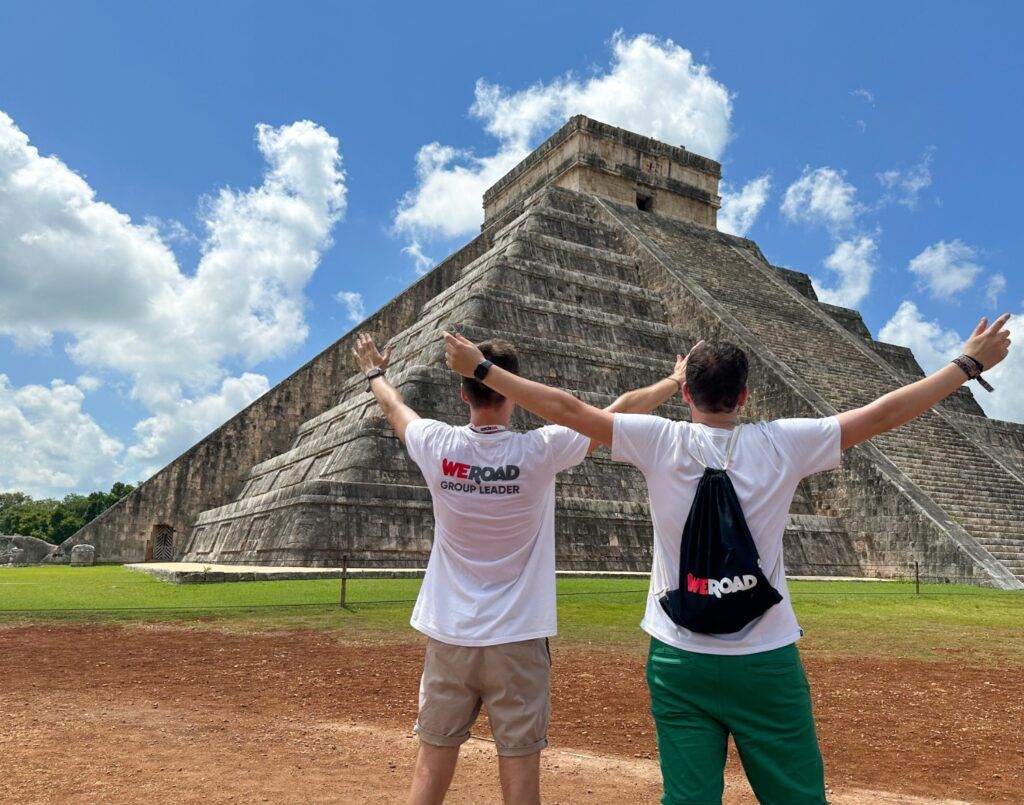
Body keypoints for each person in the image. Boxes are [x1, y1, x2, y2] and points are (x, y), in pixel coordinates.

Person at [441, 314, 1012, 805]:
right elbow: (884, 413)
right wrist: (965, 363)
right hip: (765, 659)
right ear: (743, 397)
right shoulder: (784, 442)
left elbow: (566, 408)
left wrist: (482, 370)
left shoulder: (657, 440)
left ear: (685, 392)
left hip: (678, 658)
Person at [351, 331, 695, 805]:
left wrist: (375, 372)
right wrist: (674, 382)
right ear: (512, 389)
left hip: (450, 634)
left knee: (431, 767)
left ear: (461, 393)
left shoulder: (437, 445)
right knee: (520, 771)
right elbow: (619, 410)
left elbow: (395, 409)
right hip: (517, 637)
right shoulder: (541, 450)